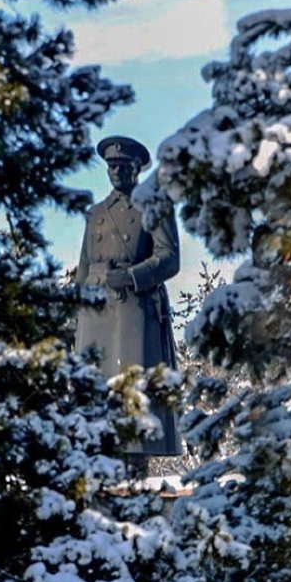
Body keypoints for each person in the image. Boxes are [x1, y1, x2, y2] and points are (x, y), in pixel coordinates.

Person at [75, 136, 181, 475]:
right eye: (111, 165)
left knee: (135, 393)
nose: (116, 171)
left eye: (123, 165)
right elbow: (83, 265)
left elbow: (169, 258)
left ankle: (135, 465)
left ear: (137, 168)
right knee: (97, 389)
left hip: (134, 310)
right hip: (96, 311)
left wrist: (134, 277)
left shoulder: (154, 206)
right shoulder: (95, 214)